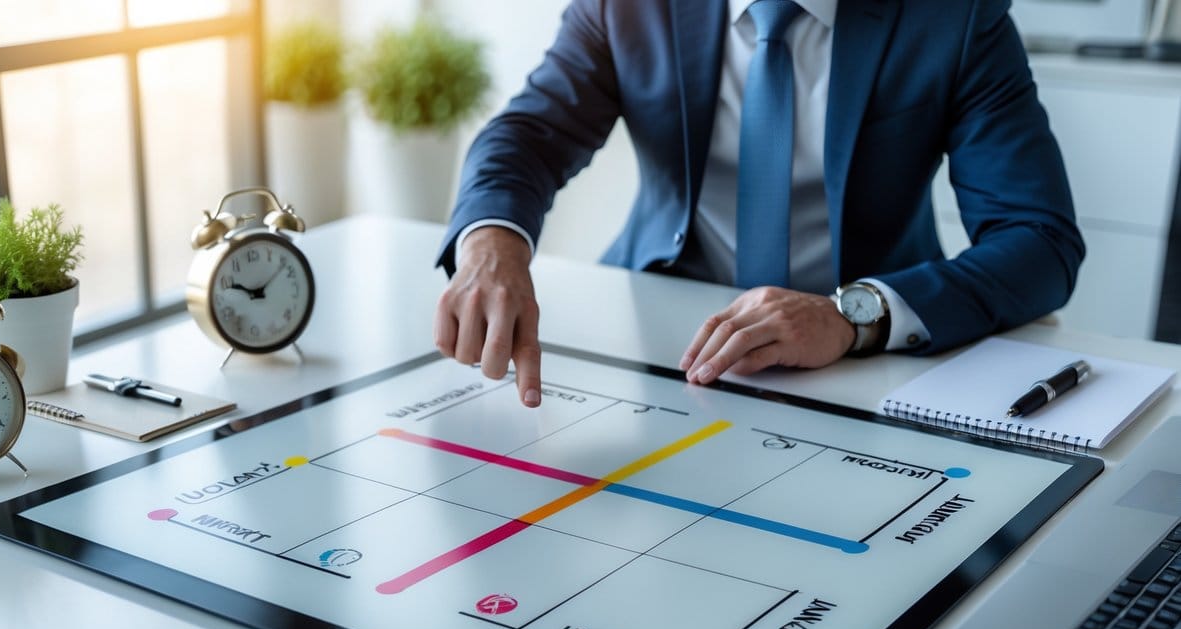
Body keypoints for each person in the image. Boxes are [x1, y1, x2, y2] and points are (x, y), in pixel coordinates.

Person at [433, 0, 1084, 407]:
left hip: (867, 361)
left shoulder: (957, 18)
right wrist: (492, 246)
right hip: (659, 338)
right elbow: (528, 136)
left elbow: (1037, 237)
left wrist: (852, 315)